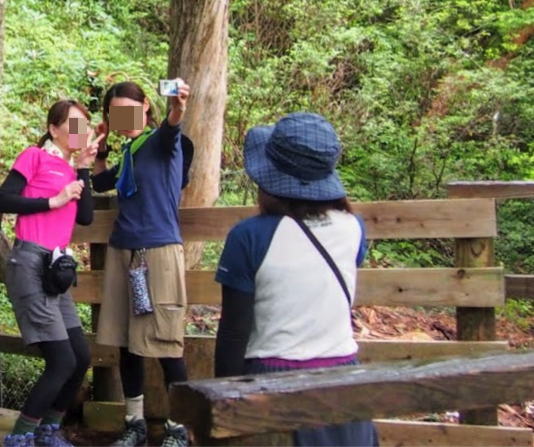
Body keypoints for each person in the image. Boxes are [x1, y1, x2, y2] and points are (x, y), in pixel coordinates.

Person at [214, 112, 379, 447]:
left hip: (273, 383)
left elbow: (234, 331)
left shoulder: (249, 237)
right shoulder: (353, 227)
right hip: (345, 382)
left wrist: (223, 403)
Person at [0, 99, 104, 447]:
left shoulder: (72, 171)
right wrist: (51, 201)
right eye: (72, 125)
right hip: (29, 262)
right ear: (54, 129)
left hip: (57, 269)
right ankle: (19, 438)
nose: (79, 132)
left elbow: (85, 217)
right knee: (61, 361)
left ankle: (48, 430)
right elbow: (3, 199)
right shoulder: (35, 156)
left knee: (81, 358)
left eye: (83, 126)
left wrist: (84, 167)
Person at [90, 79, 194, 447]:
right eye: (115, 113)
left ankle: (179, 429)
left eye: (127, 110)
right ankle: (133, 422)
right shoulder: (130, 150)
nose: (122, 118)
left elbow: (173, 125)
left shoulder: (163, 143)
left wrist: (177, 105)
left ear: (145, 106)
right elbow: (100, 181)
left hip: (159, 252)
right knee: (125, 342)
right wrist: (99, 147)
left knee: (167, 344)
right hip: (123, 252)